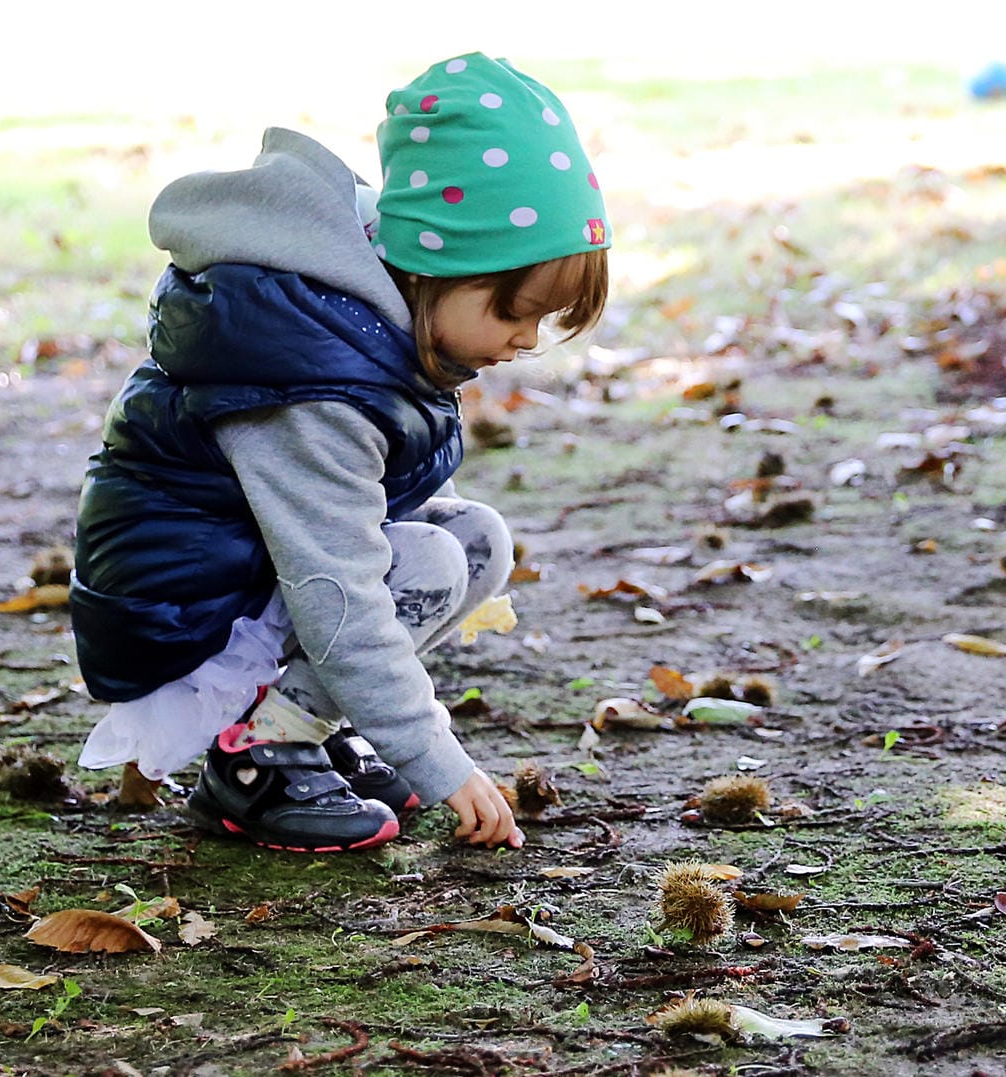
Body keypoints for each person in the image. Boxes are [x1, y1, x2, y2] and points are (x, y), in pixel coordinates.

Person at [69, 52, 610, 853]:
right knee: (427, 561)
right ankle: (256, 755)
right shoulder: (310, 383)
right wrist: (436, 757)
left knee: (475, 540)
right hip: (181, 613)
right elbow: (338, 588)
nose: (525, 339)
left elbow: (383, 503)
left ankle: (302, 724)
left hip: (248, 574)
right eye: (511, 309)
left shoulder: (367, 308)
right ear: (438, 263)